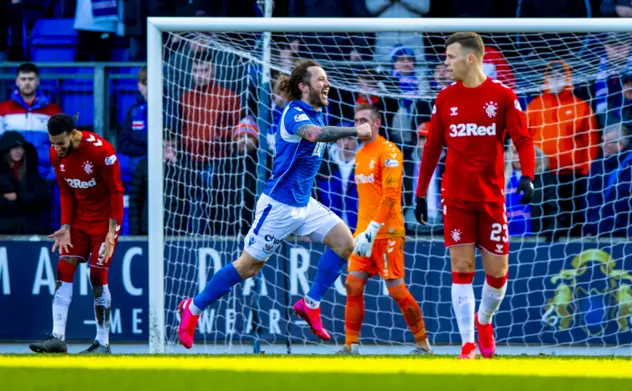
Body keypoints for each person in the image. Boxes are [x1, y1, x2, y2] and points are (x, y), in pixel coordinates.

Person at [176, 59, 372, 349]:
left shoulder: (317, 112)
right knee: (247, 267)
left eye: (326, 78)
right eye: (320, 79)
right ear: (304, 87)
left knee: (345, 243)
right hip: (278, 205)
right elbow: (315, 135)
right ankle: (192, 309)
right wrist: (355, 130)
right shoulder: (295, 113)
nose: (327, 83)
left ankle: (310, 304)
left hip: (304, 204)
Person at [414, 32, 535, 359]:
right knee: (462, 266)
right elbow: (431, 148)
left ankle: (484, 321)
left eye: (450, 57)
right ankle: (467, 343)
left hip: (492, 197)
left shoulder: (503, 96)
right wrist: (420, 191)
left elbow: (523, 139)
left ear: (471, 59)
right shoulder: (444, 98)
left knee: (497, 274)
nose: (445, 63)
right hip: (455, 197)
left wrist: (528, 176)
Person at [338, 104, 430, 355]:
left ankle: (422, 344)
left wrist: (373, 229)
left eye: (364, 120)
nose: (359, 125)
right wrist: (362, 231)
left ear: (377, 123)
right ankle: (350, 345)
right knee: (353, 285)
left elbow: (391, 196)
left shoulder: (389, 151)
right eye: (356, 120)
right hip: (363, 235)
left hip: (387, 233)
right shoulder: (360, 154)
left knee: (396, 289)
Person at [28, 114, 124, 354]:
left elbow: (116, 192)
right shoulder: (55, 154)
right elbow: (66, 192)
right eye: (52, 143)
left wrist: (112, 232)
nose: (56, 148)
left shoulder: (102, 152)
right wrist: (65, 226)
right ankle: (58, 338)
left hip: (104, 223)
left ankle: (103, 343)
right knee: (64, 268)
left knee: (97, 275)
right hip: (80, 222)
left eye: (60, 143)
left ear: (73, 134)